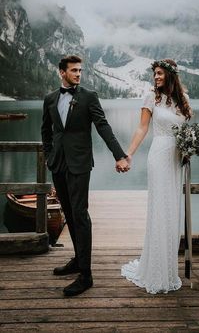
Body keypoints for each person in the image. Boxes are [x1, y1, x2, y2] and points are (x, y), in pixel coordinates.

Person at [41, 55, 129, 297]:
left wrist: (119, 155)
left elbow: (103, 126)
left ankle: (86, 275)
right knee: (68, 213)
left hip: (79, 164)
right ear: (62, 72)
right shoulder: (50, 99)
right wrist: (49, 157)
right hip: (58, 164)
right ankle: (78, 260)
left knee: (80, 214)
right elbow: (45, 131)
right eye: (73, 70)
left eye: (80, 70)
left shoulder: (88, 97)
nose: (78, 74)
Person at [121, 59, 192, 294]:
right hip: (159, 156)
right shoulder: (151, 96)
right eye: (155, 74)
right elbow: (142, 128)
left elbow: (185, 130)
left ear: (171, 75)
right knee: (160, 209)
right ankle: (155, 270)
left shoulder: (183, 99)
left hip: (176, 160)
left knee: (171, 210)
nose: (156, 77)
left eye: (160, 73)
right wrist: (128, 154)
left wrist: (189, 147)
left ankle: (168, 267)